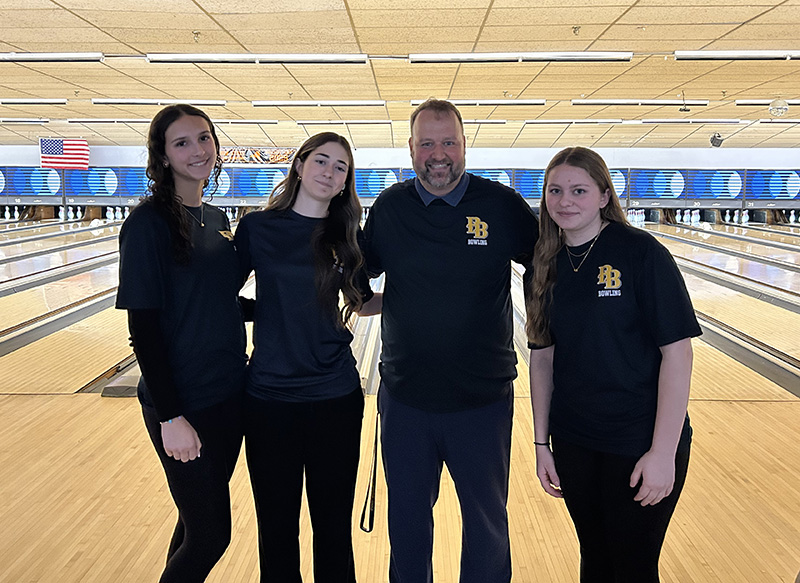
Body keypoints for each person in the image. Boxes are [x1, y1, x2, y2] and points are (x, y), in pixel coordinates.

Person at [362, 99, 539, 583]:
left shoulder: (501, 206)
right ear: (410, 149)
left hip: (482, 401)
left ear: (465, 145)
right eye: (426, 143)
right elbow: (358, 281)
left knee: (486, 525)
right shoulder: (390, 208)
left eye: (448, 142)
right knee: (408, 526)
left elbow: (546, 271)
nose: (437, 154)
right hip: (405, 402)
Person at [526, 146, 701, 582]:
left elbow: (678, 353)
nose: (565, 201)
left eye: (579, 190)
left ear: (605, 196)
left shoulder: (641, 253)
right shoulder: (545, 263)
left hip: (638, 439)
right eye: (556, 190)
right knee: (596, 560)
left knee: (632, 566)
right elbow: (543, 359)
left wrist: (663, 453)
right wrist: (541, 443)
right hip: (576, 441)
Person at [235, 132, 381, 583]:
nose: (329, 172)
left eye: (341, 167)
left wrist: (420, 295)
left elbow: (360, 301)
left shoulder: (345, 236)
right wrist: (265, 311)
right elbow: (221, 295)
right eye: (321, 161)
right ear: (299, 165)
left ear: (345, 183)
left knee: (332, 529)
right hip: (268, 399)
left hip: (334, 397)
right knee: (276, 529)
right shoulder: (257, 228)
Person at [116, 104, 248, 582]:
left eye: (204, 138)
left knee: (195, 526)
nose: (198, 150)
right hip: (182, 403)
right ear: (164, 156)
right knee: (213, 534)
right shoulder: (148, 224)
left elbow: (219, 301)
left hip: (228, 396)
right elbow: (143, 328)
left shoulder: (214, 217)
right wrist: (171, 416)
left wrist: (302, 310)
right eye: (182, 142)